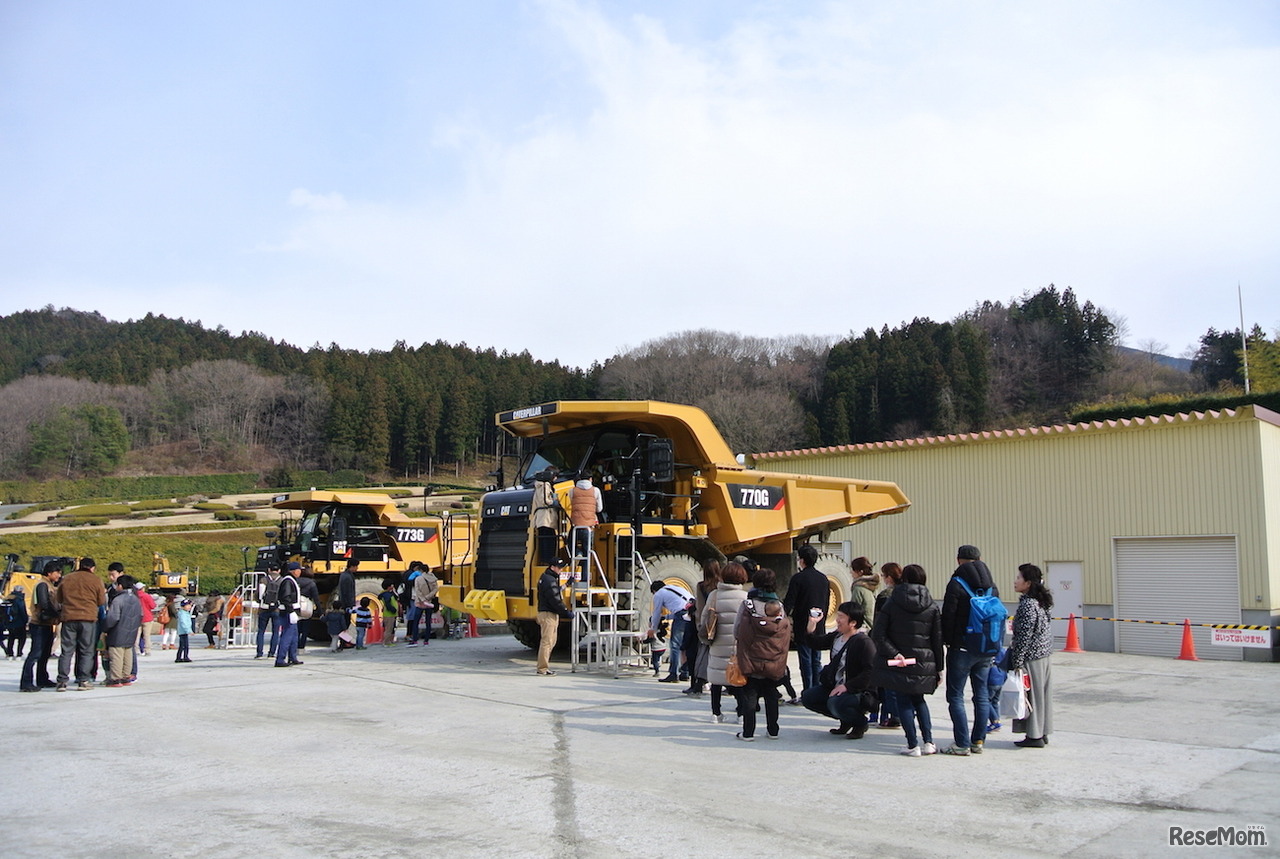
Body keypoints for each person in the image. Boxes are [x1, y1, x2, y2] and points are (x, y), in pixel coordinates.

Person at [871, 563, 944, 756]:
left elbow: (878, 633)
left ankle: (913, 745)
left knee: (903, 701)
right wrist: (940, 668)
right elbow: (937, 639)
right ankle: (929, 742)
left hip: (900, 661)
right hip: (923, 661)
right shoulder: (932, 605)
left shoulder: (892, 602)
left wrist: (894, 653)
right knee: (919, 700)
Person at [941, 544, 1000, 756]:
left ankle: (962, 743)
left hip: (962, 648)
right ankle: (978, 741)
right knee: (981, 695)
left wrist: (948, 641)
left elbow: (948, 615)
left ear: (958, 560)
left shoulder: (956, 584)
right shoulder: (992, 586)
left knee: (956, 696)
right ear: (980, 558)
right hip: (986, 648)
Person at [801, 601, 877, 739]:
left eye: (841, 617)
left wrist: (847, 686)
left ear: (852, 622)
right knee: (808, 698)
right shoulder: (837, 636)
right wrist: (812, 623)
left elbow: (870, 672)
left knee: (835, 703)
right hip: (835, 686)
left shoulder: (864, 642)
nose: (837, 620)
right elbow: (814, 643)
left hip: (857, 690)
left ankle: (859, 723)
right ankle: (846, 720)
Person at [1009, 563, 1054, 748]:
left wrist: (1017, 660)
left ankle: (1034, 736)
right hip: (1044, 655)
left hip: (1031, 657)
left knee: (1030, 696)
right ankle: (1042, 732)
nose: (1015, 581)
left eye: (1019, 578)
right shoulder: (1042, 602)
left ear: (1027, 583)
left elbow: (1024, 635)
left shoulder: (1028, 604)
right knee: (1042, 695)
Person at [733, 598, 791, 741]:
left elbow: (740, 636)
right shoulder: (784, 625)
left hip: (753, 667)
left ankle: (748, 732)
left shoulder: (753, 622)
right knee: (771, 698)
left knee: (750, 700)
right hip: (772, 668)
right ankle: (773, 730)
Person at [699, 561, 749, 724]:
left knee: (717, 679)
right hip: (737, 645)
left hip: (717, 642)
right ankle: (741, 714)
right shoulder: (745, 597)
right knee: (737, 678)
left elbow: (704, 619)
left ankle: (716, 713)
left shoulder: (714, 595)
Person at [746, 567, 798, 704]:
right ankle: (773, 725)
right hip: (773, 658)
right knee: (771, 697)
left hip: (753, 658)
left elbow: (738, 631)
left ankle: (749, 720)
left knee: (751, 695)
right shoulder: (778, 606)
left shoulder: (748, 604)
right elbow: (786, 631)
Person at [56, 557, 108, 691]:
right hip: (88, 619)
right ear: (92, 568)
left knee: (66, 651)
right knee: (87, 650)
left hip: (69, 618)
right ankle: (84, 680)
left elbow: (59, 598)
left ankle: (62, 681)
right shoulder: (96, 580)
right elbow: (101, 601)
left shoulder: (67, 578)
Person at [783, 544, 828, 692]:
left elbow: (790, 601)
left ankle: (807, 690)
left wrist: (783, 616)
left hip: (802, 625)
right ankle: (817, 688)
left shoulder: (798, 578)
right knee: (816, 660)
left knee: (806, 660)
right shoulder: (823, 579)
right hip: (819, 625)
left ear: (802, 560)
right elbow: (826, 602)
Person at [20, 563, 62, 692]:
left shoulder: (48, 585)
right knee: (35, 653)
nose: (59, 575)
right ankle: (26, 682)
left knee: (44, 653)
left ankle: (42, 678)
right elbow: (44, 603)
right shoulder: (42, 584)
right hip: (39, 624)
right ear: (49, 573)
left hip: (46, 623)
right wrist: (57, 614)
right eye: (57, 572)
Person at [684, 558, 721, 697]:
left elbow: (700, 608)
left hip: (708, 623)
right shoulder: (722, 585)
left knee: (702, 655)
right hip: (722, 624)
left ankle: (698, 683)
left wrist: (701, 627)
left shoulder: (701, 586)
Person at [873, 562, 903, 728]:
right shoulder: (906, 592)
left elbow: (879, 622)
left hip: (888, 642)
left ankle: (891, 715)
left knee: (887, 681)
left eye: (884, 576)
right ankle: (900, 713)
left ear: (889, 578)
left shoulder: (886, 595)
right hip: (905, 641)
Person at [648, 579, 693, 682]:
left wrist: (653, 629)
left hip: (681, 615)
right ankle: (685, 673)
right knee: (686, 644)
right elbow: (681, 608)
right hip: (692, 612)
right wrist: (667, 616)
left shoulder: (659, 594)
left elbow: (656, 613)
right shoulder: (675, 588)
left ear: (654, 590)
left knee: (675, 645)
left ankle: (674, 674)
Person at [535, 559, 574, 676]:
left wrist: (566, 584)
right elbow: (555, 599)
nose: (561, 570)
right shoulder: (549, 580)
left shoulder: (547, 578)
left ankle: (544, 666)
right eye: (559, 567)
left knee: (551, 641)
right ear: (552, 567)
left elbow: (554, 591)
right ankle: (542, 668)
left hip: (548, 613)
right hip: (548, 614)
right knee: (547, 642)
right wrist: (566, 612)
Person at [104, 575, 142, 687]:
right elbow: (141, 615)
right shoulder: (136, 599)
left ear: (120, 586)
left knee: (117, 654)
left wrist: (105, 628)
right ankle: (126, 676)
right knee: (128, 653)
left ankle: (115, 678)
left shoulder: (118, 599)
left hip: (118, 631)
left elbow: (113, 618)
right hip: (132, 630)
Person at [568, 472, 603, 579]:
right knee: (587, 552)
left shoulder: (572, 490)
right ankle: (584, 579)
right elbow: (599, 509)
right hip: (589, 527)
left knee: (569, 543)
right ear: (590, 479)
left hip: (576, 526)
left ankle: (577, 553)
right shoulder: (595, 490)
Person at [275, 563, 304, 667]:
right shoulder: (288, 581)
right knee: (287, 636)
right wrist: (291, 611)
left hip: (292, 611)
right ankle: (280, 659)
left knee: (294, 637)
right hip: (288, 612)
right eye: (298, 569)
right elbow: (285, 597)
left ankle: (293, 657)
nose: (300, 571)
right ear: (293, 570)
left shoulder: (291, 580)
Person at [531, 467, 561, 566]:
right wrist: (554, 502)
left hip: (541, 519)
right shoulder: (545, 485)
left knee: (544, 540)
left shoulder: (538, 485)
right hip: (546, 518)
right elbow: (545, 500)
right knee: (549, 541)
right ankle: (548, 561)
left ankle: (545, 560)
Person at [255, 562, 284, 659]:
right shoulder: (282, 580)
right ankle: (272, 652)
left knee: (261, 631)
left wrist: (261, 602)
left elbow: (259, 595)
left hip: (264, 608)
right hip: (276, 609)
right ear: (279, 570)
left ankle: (259, 653)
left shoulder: (264, 579)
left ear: (269, 570)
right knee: (275, 632)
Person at [408, 564, 440, 647]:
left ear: (421, 570)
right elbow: (436, 589)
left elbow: (417, 591)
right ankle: (426, 641)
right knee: (428, 623)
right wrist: (428, 597)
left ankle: (415, 640)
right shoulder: (433, 578)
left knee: (416, 622)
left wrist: (422, 599)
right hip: (429, 602)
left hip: (420, 603)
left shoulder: (418, 579)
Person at [849, 556, 878, 631]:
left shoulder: (859, 589)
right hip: (871, 628)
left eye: (853, 570)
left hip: (861, 628)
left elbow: (854, 611)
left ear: (860, 572)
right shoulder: (872, 587)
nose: (850, 572)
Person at [296, 566, 320, 651]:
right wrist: (319, 610)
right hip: (306, 607)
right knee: (305, 628)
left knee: (297, 627)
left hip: (297, 606)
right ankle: (302, 646)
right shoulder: (312, 583)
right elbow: (316, 598)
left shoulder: (296, 581)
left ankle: (295, 644)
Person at [4, 586, 28, 660]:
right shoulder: (19, 598)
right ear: (21, 591)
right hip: (19, 622)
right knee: (22, 638)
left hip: (9, 622)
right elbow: (22, 610)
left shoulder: (8, 597)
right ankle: (19, 654)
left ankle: (10, 654)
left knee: (11, 638)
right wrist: (26, 620)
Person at [133, 579, 156, 656]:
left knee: (136, 635)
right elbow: (153, 606)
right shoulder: (147, 596)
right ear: (142, 588)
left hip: (136, 617)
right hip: (147, 617)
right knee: (147, 635)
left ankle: (136, 650)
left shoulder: (134, 596)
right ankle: (147, 650)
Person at [379, 580, 399, 646]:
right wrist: (393, 609)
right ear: (388, 587)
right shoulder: (387, 595)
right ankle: (386, 642)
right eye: (391, 585)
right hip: (389, 614)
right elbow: (388, 604)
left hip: (389, 614)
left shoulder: (387, 593)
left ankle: (388, 641)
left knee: (389, 628)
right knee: (389, 629)